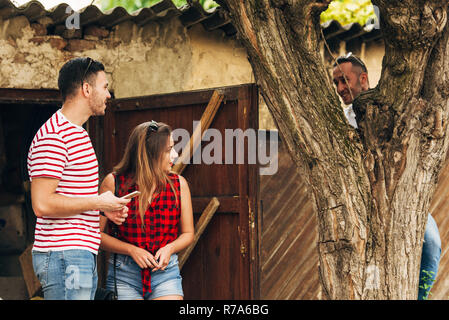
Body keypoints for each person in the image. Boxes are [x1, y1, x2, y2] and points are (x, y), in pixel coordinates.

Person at [332, 53, 442, 300]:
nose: (339, 88)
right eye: (336, 83)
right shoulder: (342, 121)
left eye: (344, 80)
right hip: (364, 199)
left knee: (432, 242)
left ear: (362, 78)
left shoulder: (391, 104)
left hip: (401, 195)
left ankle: (419, 296)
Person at [27, 57, 130, 300]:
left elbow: (73, 197)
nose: (108, 95)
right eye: (104, 87)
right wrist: (98, 203)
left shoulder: (79, 134)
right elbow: (42, 205)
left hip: (78, 253)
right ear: (86, 89)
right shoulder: (53, 136)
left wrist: (105, 211)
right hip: (64, 255)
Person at [99, 120, 195, 300]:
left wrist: (170, 248)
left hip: (166, 273)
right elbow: (95, 236)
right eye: (168, 150)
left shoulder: (179, 185)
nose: (174, 154)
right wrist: (131, 250)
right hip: (124, 274)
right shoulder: (113, 183)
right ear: (150, 154)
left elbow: (189, 233)